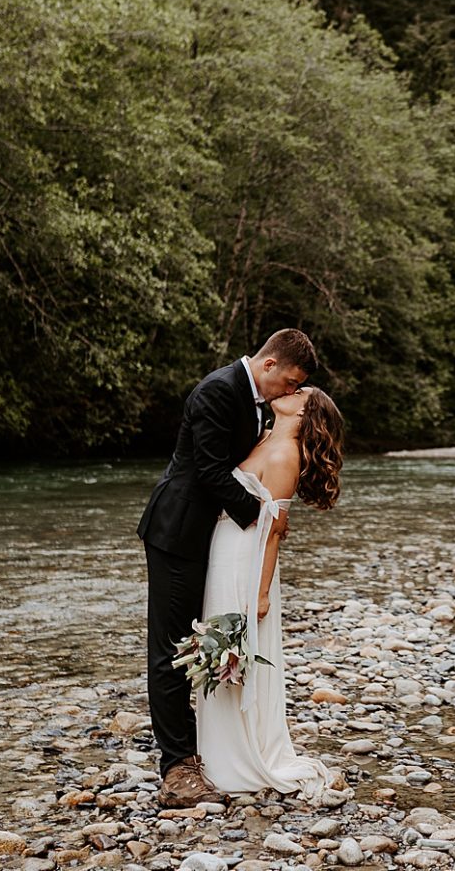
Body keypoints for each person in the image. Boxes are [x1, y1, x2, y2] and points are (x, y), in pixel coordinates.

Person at [137, 330, 317, 810]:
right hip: (177, 534)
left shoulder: (259, 400)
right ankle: (177, 768)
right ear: (270, 362)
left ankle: (210, 749)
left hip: (210, 539)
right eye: (290, 381)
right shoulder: (218, 390)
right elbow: (212, 472)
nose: (290, 392)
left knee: (201, 642)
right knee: (171, 648)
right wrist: (266, 515)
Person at [194, 384, 344, 797]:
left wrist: (259, 595)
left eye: (301, 392)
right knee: (218, 647)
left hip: (245, 558)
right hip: (223, 547)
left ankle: (240, 755)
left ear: (303, 413)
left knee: (235, 650)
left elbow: (274, 530)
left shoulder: (283, 455)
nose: (291, 391)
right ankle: (215, 750)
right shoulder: (264, 436)